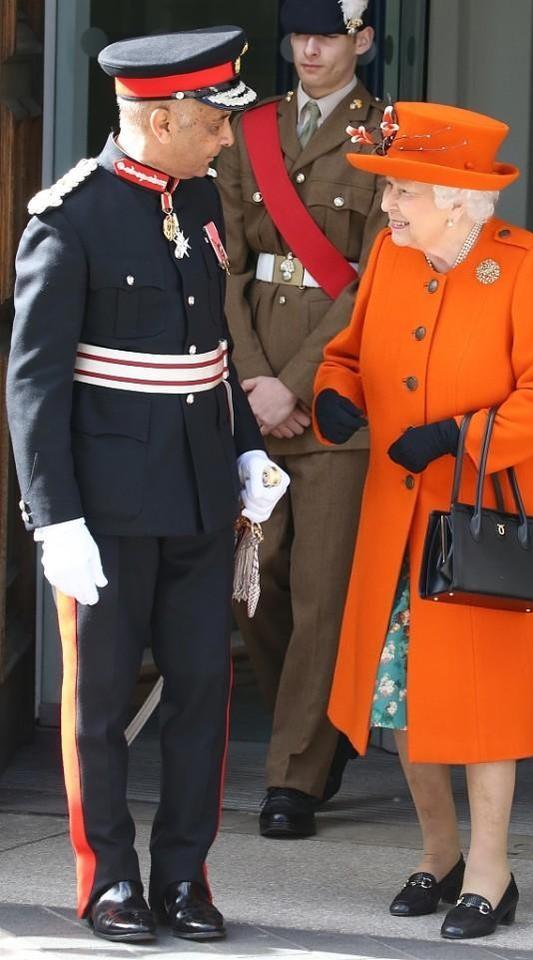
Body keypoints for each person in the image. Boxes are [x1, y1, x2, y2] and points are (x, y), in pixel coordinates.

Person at [6, 27, 289, 944]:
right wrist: (55, 519)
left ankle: (183, 879)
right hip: (109, 507)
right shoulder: (70, 216)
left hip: (202, 494)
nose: (224, 139)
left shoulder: (200, 194)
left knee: (203, 691)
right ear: (160, 115)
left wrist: (245, 446)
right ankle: (110, 882)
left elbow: (210, 350)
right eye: (213, 122)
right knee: (98, 706)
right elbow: (35, 382)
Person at [314, 102, 533, 939]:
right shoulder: (392, 258)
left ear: (458, 199)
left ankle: (493, 874)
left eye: (401, 189)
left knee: (482, 705)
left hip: (480, 527)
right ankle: (441, 855)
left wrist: (459, 436)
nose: (388, 205)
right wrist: (334, 394)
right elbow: (347, 354)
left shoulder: (527, 265)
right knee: (399, 700)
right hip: (395, 526)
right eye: (390, 188)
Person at [216, 0, 387, 838]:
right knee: (258, 585)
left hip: (338, 390)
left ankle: (295, 774)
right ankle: (322, 726)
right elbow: (225, 261)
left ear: (363, 40)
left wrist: (293, 380)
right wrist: (253, 377)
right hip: (255, 390)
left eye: (328, 34)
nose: (309, 48)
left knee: (322, 590)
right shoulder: (251, 131)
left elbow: (376, 278)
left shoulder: (386, 133)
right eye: (299, 34)